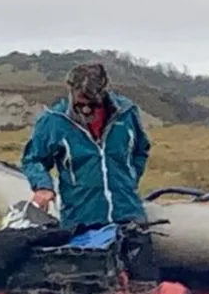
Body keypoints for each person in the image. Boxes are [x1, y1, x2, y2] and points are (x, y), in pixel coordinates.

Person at [20, 62, 158, 279]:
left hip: (129, 218)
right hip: (81, 223)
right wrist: (43, 186)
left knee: (145, 288)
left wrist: (130, 179)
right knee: (87, 291)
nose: (85, 110)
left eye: (92, 104)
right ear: (71, 92)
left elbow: (141, 149)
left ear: (104, 93)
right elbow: (33, 159)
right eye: (80, 103)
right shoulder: (53, 122)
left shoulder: (127, 114)